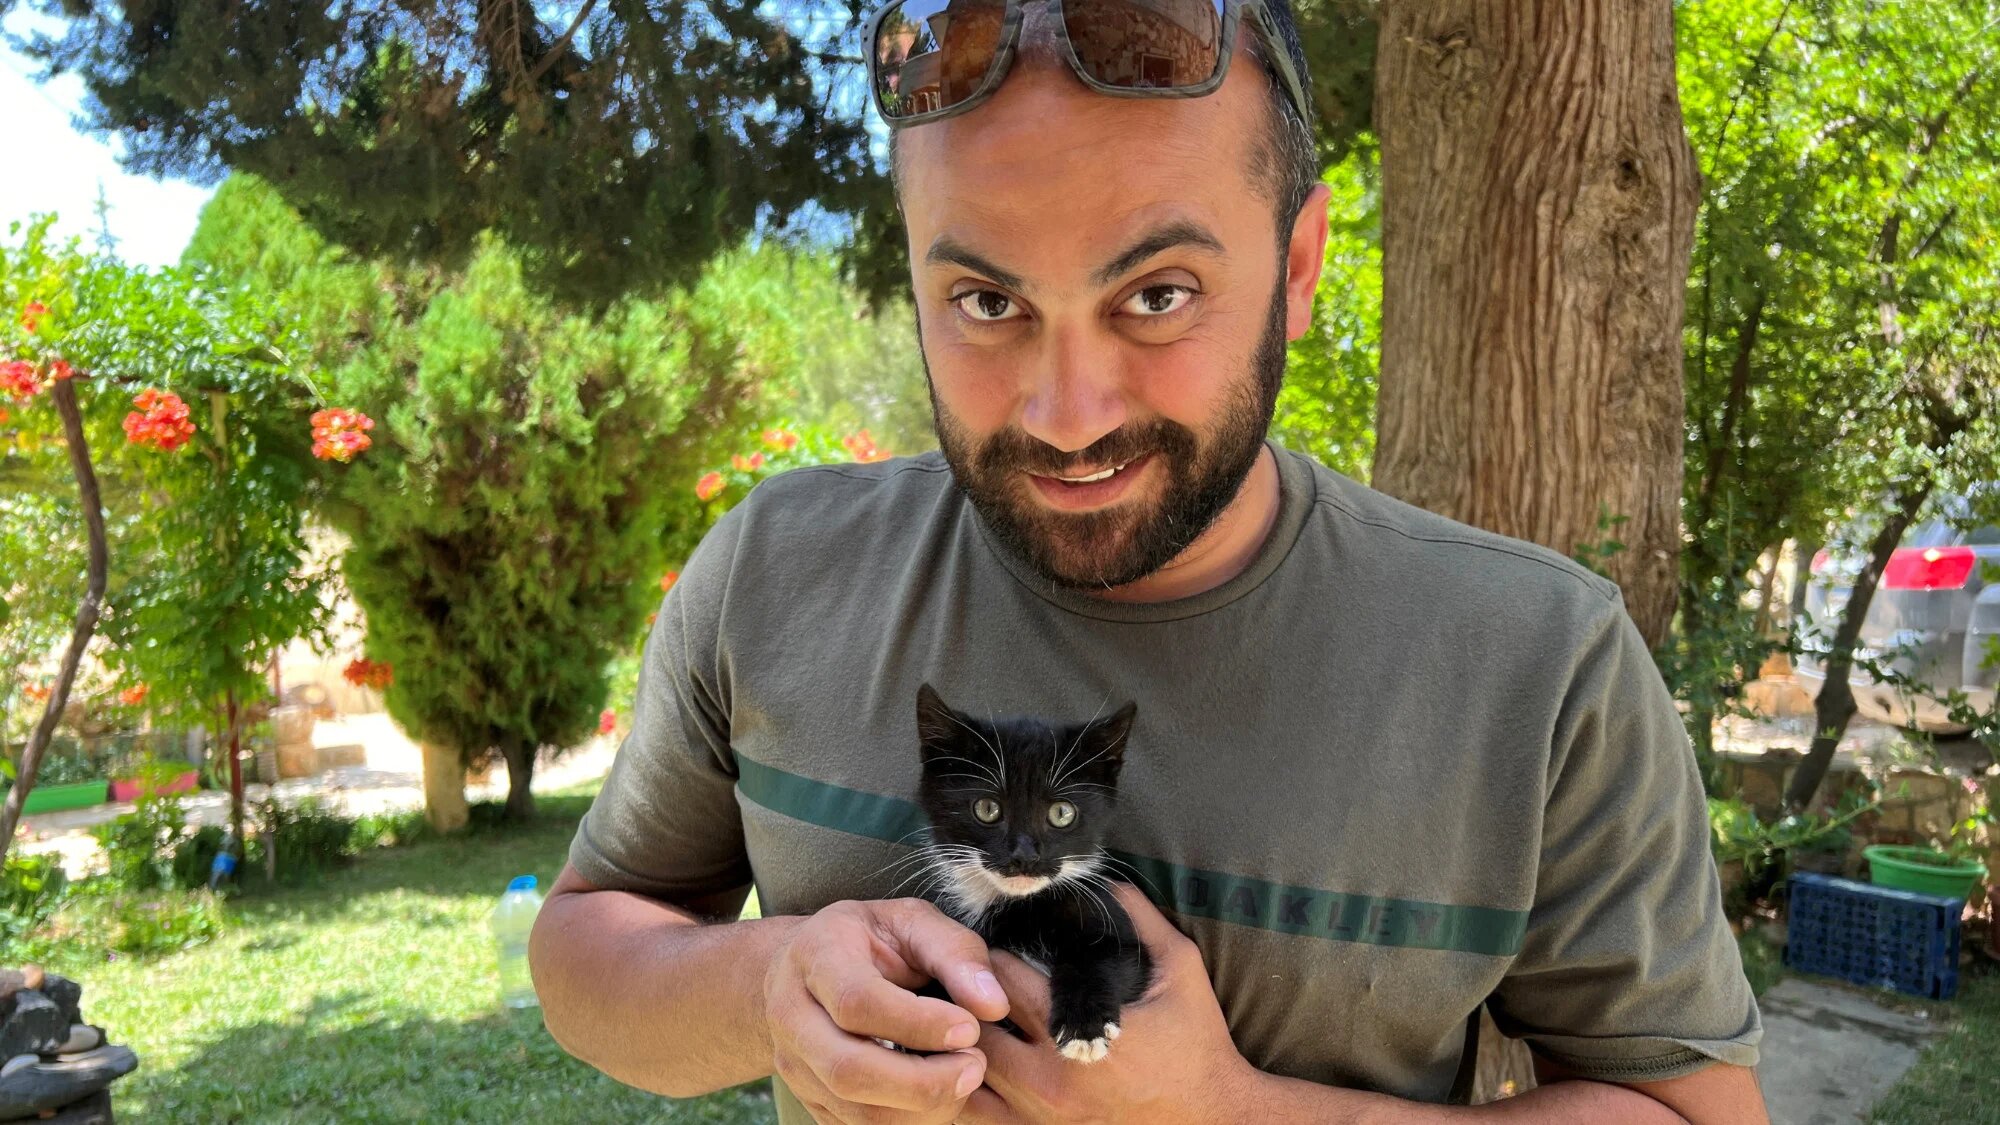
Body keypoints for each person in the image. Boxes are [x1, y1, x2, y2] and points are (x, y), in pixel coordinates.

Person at [530, 0, 1768, 1120]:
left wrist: (1231, 1112)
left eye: (1158, 293)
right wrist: (765, 987)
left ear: (1294, 266)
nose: (1067, 415)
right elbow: (586, 947)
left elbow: (1694, 1114)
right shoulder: (777, 571)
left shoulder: (1538, 663)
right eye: (984, 302)